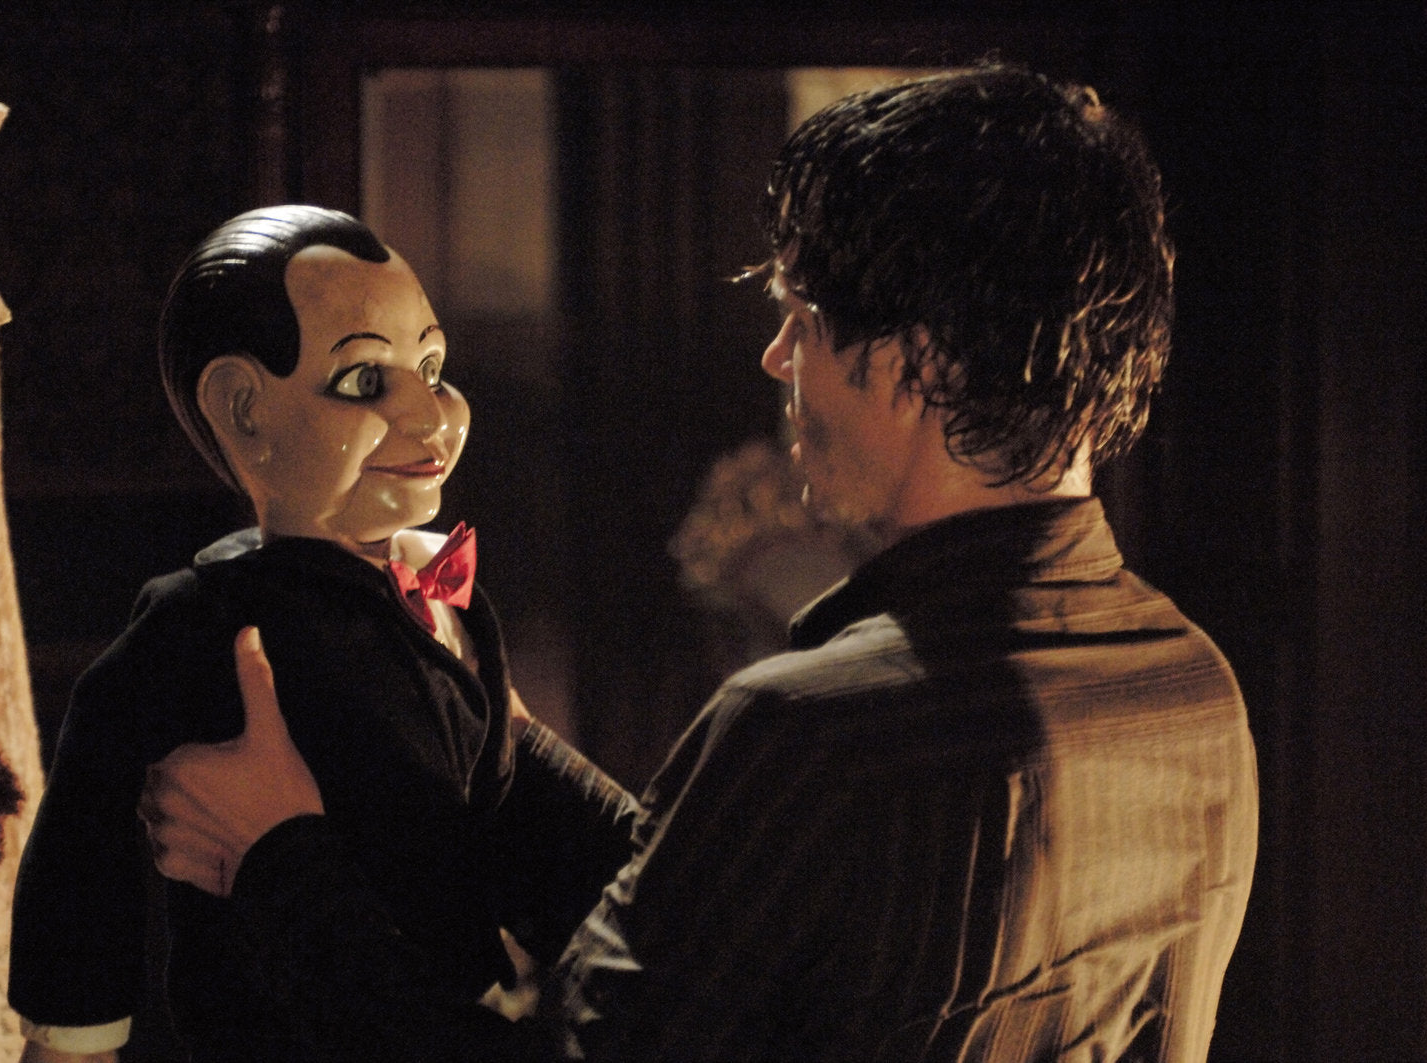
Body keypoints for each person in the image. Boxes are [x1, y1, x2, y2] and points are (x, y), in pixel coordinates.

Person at [142, 63, 1259, 1061]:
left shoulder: (817, 730)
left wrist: (277, 859)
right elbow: (724, 960)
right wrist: (500, 734)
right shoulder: (1192, 687)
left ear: (912, 358)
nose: (777, 357)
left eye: (801, 318)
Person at [8, 206, 637, 1062]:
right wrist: (73, 1035)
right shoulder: (203, 623)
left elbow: (513, 812)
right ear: (243, 409)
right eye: (364, 379)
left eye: (433, 367)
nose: (432, 416)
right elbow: (84, 833)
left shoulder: (445, 598)